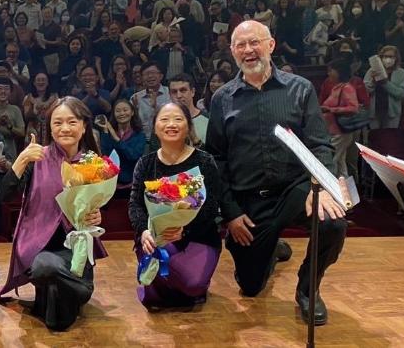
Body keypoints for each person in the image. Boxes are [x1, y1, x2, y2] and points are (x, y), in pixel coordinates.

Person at [206, 20, 347, 326]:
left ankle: (308, 288)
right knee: (251, 287)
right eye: (241, 45)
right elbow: (216, 161)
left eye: (254, 42)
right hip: (250, 202)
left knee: (334, 223)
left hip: (295, 190)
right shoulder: (222, 99)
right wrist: (230, 213)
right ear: (232, 52)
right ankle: (272, 247)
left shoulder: (300, 89)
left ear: (270, 45)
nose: (248, 50)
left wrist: (320, 189)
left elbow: (321, 146)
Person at [0, 97, 105, 331]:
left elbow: (95, 205)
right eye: (58, 123)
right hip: (38, 247)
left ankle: (56, 293)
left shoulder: (93, 162)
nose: (65, 128)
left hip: (76, 249)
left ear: (84, 126)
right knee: (45, 265)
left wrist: (97, 217)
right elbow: (4, 196)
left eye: (72, 122)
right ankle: (81, 290)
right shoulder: (37, 158)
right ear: (50, 127)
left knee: (56, 321)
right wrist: (22, 159)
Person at [131, 102, 222, 308]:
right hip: (156, 236)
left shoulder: (205, 161)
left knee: (193, 283)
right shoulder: (145, 163)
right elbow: (135, 205)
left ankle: (185, 288)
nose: (171, 124)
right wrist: (143, 231)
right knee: (160, 263)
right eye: (164, 119)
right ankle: (167, 290)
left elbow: (211, 206)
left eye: (178, 119)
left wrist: (185, 229)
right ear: (154, 127)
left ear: (188, 126)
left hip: (198, 236)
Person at [96, 98, 146, 187]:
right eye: (118, 111)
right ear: (114, 114)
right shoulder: (108, 133)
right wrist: (106, 131)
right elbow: (106, 155)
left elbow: (133, 156)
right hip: (110, 182)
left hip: (132, 183)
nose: (122, 113)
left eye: (125, 110)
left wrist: (117, 139)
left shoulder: (139, 135)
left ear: (132, 113)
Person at [321, 61, 360, 177]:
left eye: (330, 70)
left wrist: (331, 110)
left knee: (330, 161)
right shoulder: (336, 88)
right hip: (335, 131)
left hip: (341, 132)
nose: (328, 73)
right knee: (340, 163)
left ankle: (330, 190)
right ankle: (346, 191)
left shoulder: (347, 88)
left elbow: (353, 108)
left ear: (339, 72)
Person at [364, 46, 404, 129]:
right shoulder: (372, 71)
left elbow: (401, 94)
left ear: (396, 58)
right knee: (375, 137)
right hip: (374, 112)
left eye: (391, 57)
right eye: (385, 56)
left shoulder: (401, 72)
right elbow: (365, 91)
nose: (388, 59)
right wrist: (373, 82)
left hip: (392, 113)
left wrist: (385, 82)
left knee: (390, 138)